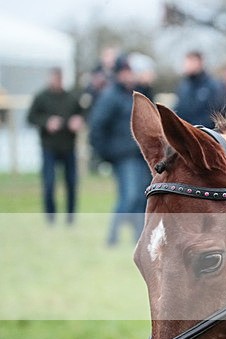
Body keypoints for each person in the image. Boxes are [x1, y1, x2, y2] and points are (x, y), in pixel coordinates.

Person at [88, 55, 151, 245]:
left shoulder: (137, 94)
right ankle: (113, 237)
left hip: (140, 155)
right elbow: (96, 127)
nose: (129, 76)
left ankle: (138, 238)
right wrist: (107, 154)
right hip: (123, 156)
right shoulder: (110, 97)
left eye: (130, 72)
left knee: (142, 197)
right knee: (129, 197)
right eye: (125, 72)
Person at [26, 67, 84, 224]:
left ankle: (71, 217)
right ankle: (50, 217)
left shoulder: (70, 97)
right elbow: (30, 118)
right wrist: (46, 122)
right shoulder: (41, 97)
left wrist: (78, 120)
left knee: (71, 183)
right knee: (49, 182)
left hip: (68, 147)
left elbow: (83, 113)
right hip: (49, 147)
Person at [173, 50, 223, 128]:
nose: (187, 65)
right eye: (186, 62)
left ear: (200, 63)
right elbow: (179, 110)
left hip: (204, 134)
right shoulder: (183, 86)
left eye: (191, 62)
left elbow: (215, 113)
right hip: (184, 132)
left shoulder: (213, 86)